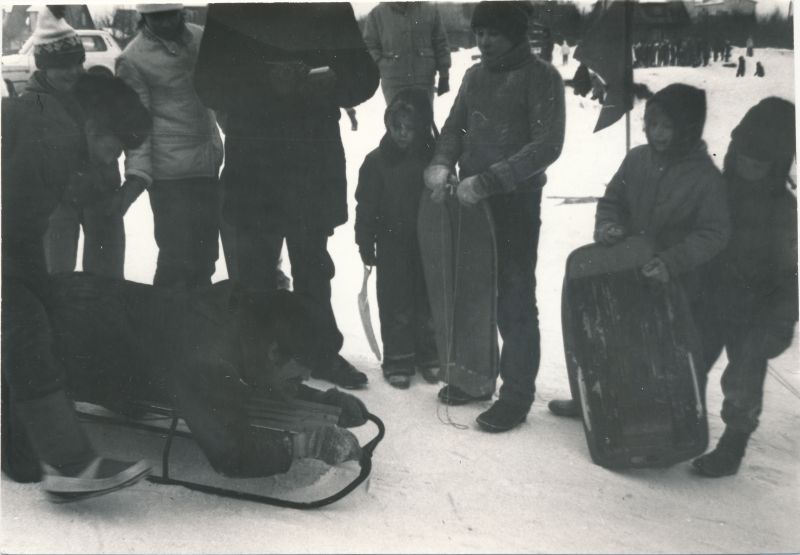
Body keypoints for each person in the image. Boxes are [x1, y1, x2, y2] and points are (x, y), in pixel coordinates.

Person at [193, 3, 379, 390]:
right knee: (255, 273)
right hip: (256, 164)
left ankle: (321, 353)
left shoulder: (329, 9)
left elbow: (365, 76)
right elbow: (207, 82)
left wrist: (334, 82)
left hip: (312, 162)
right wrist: (265, 82)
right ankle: (255, 357)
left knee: (313, 267)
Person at [47, 274, 370, 477]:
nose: (305, 378)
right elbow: (230, 453)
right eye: (302, 372)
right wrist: (303, 445)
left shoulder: (241, 319)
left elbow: (257, 376)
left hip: (83, 300)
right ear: (275, 351)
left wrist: (320, 402)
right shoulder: (208, 356)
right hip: (56, 334)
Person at [2, 73, 153, 501]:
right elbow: (12, 228)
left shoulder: (53, 124)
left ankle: (23, 453)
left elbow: (23, 232)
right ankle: (70, 465)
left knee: (30, 322)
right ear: (94, 125)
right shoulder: (54, 140)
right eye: (116, 146)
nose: (114, 158)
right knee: (26, 331)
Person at [548, 83, 731, 419]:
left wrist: (671, 262)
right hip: (626, 268)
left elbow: (714, 233)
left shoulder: (706, 178)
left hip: (673, 284)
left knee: (657, 351)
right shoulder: (637, 160)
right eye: (652, 123)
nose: (658, 133)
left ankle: (655, 419)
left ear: (689, 128)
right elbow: (613, 200)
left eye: (668, 126)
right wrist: (608, 226)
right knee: (611, 338)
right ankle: (594, 400)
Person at [424, 1, 566, 432]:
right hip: (471, 202)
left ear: (516, 34)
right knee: (473, 293)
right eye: (479, 32)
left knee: (515, 298)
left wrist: (490, 181)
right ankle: (474, 377)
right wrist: (442, 163)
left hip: (516, 204)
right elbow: (454, 129)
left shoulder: (542, 77)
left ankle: (517, 393)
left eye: (493, 33)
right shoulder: (473, 77)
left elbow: (546, 146)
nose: (483, 41)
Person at [693, 98, 797, 478]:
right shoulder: (716, 188)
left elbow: (789, 271)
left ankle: (732, 446)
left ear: (778, 162)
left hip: (755, 311)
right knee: (688, 364)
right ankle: (681, 425)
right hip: (708, 300)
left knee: (744, 379)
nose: (750, 164)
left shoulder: (782, 209)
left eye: (761, 159)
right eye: (744, 154)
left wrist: (782, 320)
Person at [116, 4, 224, 289]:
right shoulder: (133, 59)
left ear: (181, 12)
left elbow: (220, 96)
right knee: (176, 260)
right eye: (156, 17)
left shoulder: (201, 39)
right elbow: (136, 125)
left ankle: (198, 327)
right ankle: (164, 327)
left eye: (170, 15)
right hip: (170, 175)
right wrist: (138, 174)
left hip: (207, 166)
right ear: (144, 17)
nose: (164, 23)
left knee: (206, 258)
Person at [26, 7, 126, 279]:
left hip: (101, 197)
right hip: (56, 205)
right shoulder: (28, 105)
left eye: (76, 62)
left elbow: (122, 136)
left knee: (108, 280)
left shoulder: (96, 92)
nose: (72, 72)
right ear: (43, 66)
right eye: (61, 66)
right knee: (56, 277)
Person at [355, 88, 439, 390]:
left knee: (427, 299)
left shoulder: (433, 160)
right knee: (395, 301)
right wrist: (365, 241)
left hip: (427, 242)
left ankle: (430, 354)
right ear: (388, 124)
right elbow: (365, 206)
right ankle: (398, 359)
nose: (403, 134)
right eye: (397, 127)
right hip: (391, 243)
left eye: (410, 128)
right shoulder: (376, 162)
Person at [363, 2, 451, 106]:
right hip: (394, 83)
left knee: (424, 120)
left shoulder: (430, 10)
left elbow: (440, 42)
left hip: (423, 80)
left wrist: (444, 74)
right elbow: (369, 46)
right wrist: (382, 64)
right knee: (398, 120)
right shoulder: (377, 14)